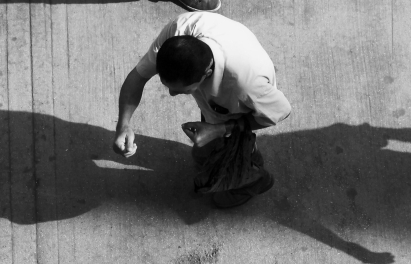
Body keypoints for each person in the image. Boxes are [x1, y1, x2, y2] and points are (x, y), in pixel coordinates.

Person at [113, 13, 291, 208]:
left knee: (220, 191)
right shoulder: (178, 33)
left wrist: (220, 129)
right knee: (203, 155)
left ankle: (255, 180)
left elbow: (280, 111)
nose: (172, 94)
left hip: (240, 108)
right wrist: (123, 126)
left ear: (206, 74)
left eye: (182, 90)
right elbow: (138, 77)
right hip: (220, 102)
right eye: (168, 86)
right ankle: (238, 157)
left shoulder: (245, 86)